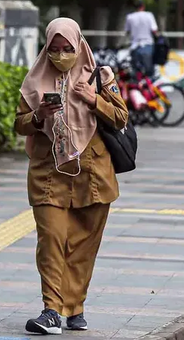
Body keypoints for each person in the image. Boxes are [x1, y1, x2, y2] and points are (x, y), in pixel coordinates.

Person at [14, 17, 128, 335]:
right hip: (49, 173)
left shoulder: (100, 75)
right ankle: (51, 310)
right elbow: (18, 123)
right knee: (51, 240)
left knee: (82, 245)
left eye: (68, 49)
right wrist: (38, 116)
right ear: (46, 47)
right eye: (54, 49)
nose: (62, 55)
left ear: (79, 44)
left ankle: (74, 307)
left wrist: (94, 100)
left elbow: (121, 117)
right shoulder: (35, 79)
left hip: (93, 174)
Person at [124, 0, 159, 77]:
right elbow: (154, 30)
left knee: (136, 72)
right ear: (143, 6)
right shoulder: (149, 15)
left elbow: (127, 31)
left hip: (135, 46)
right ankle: (148, 87)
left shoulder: (130, 17)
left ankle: (138, 86)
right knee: (149, 70)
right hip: (147, 45)